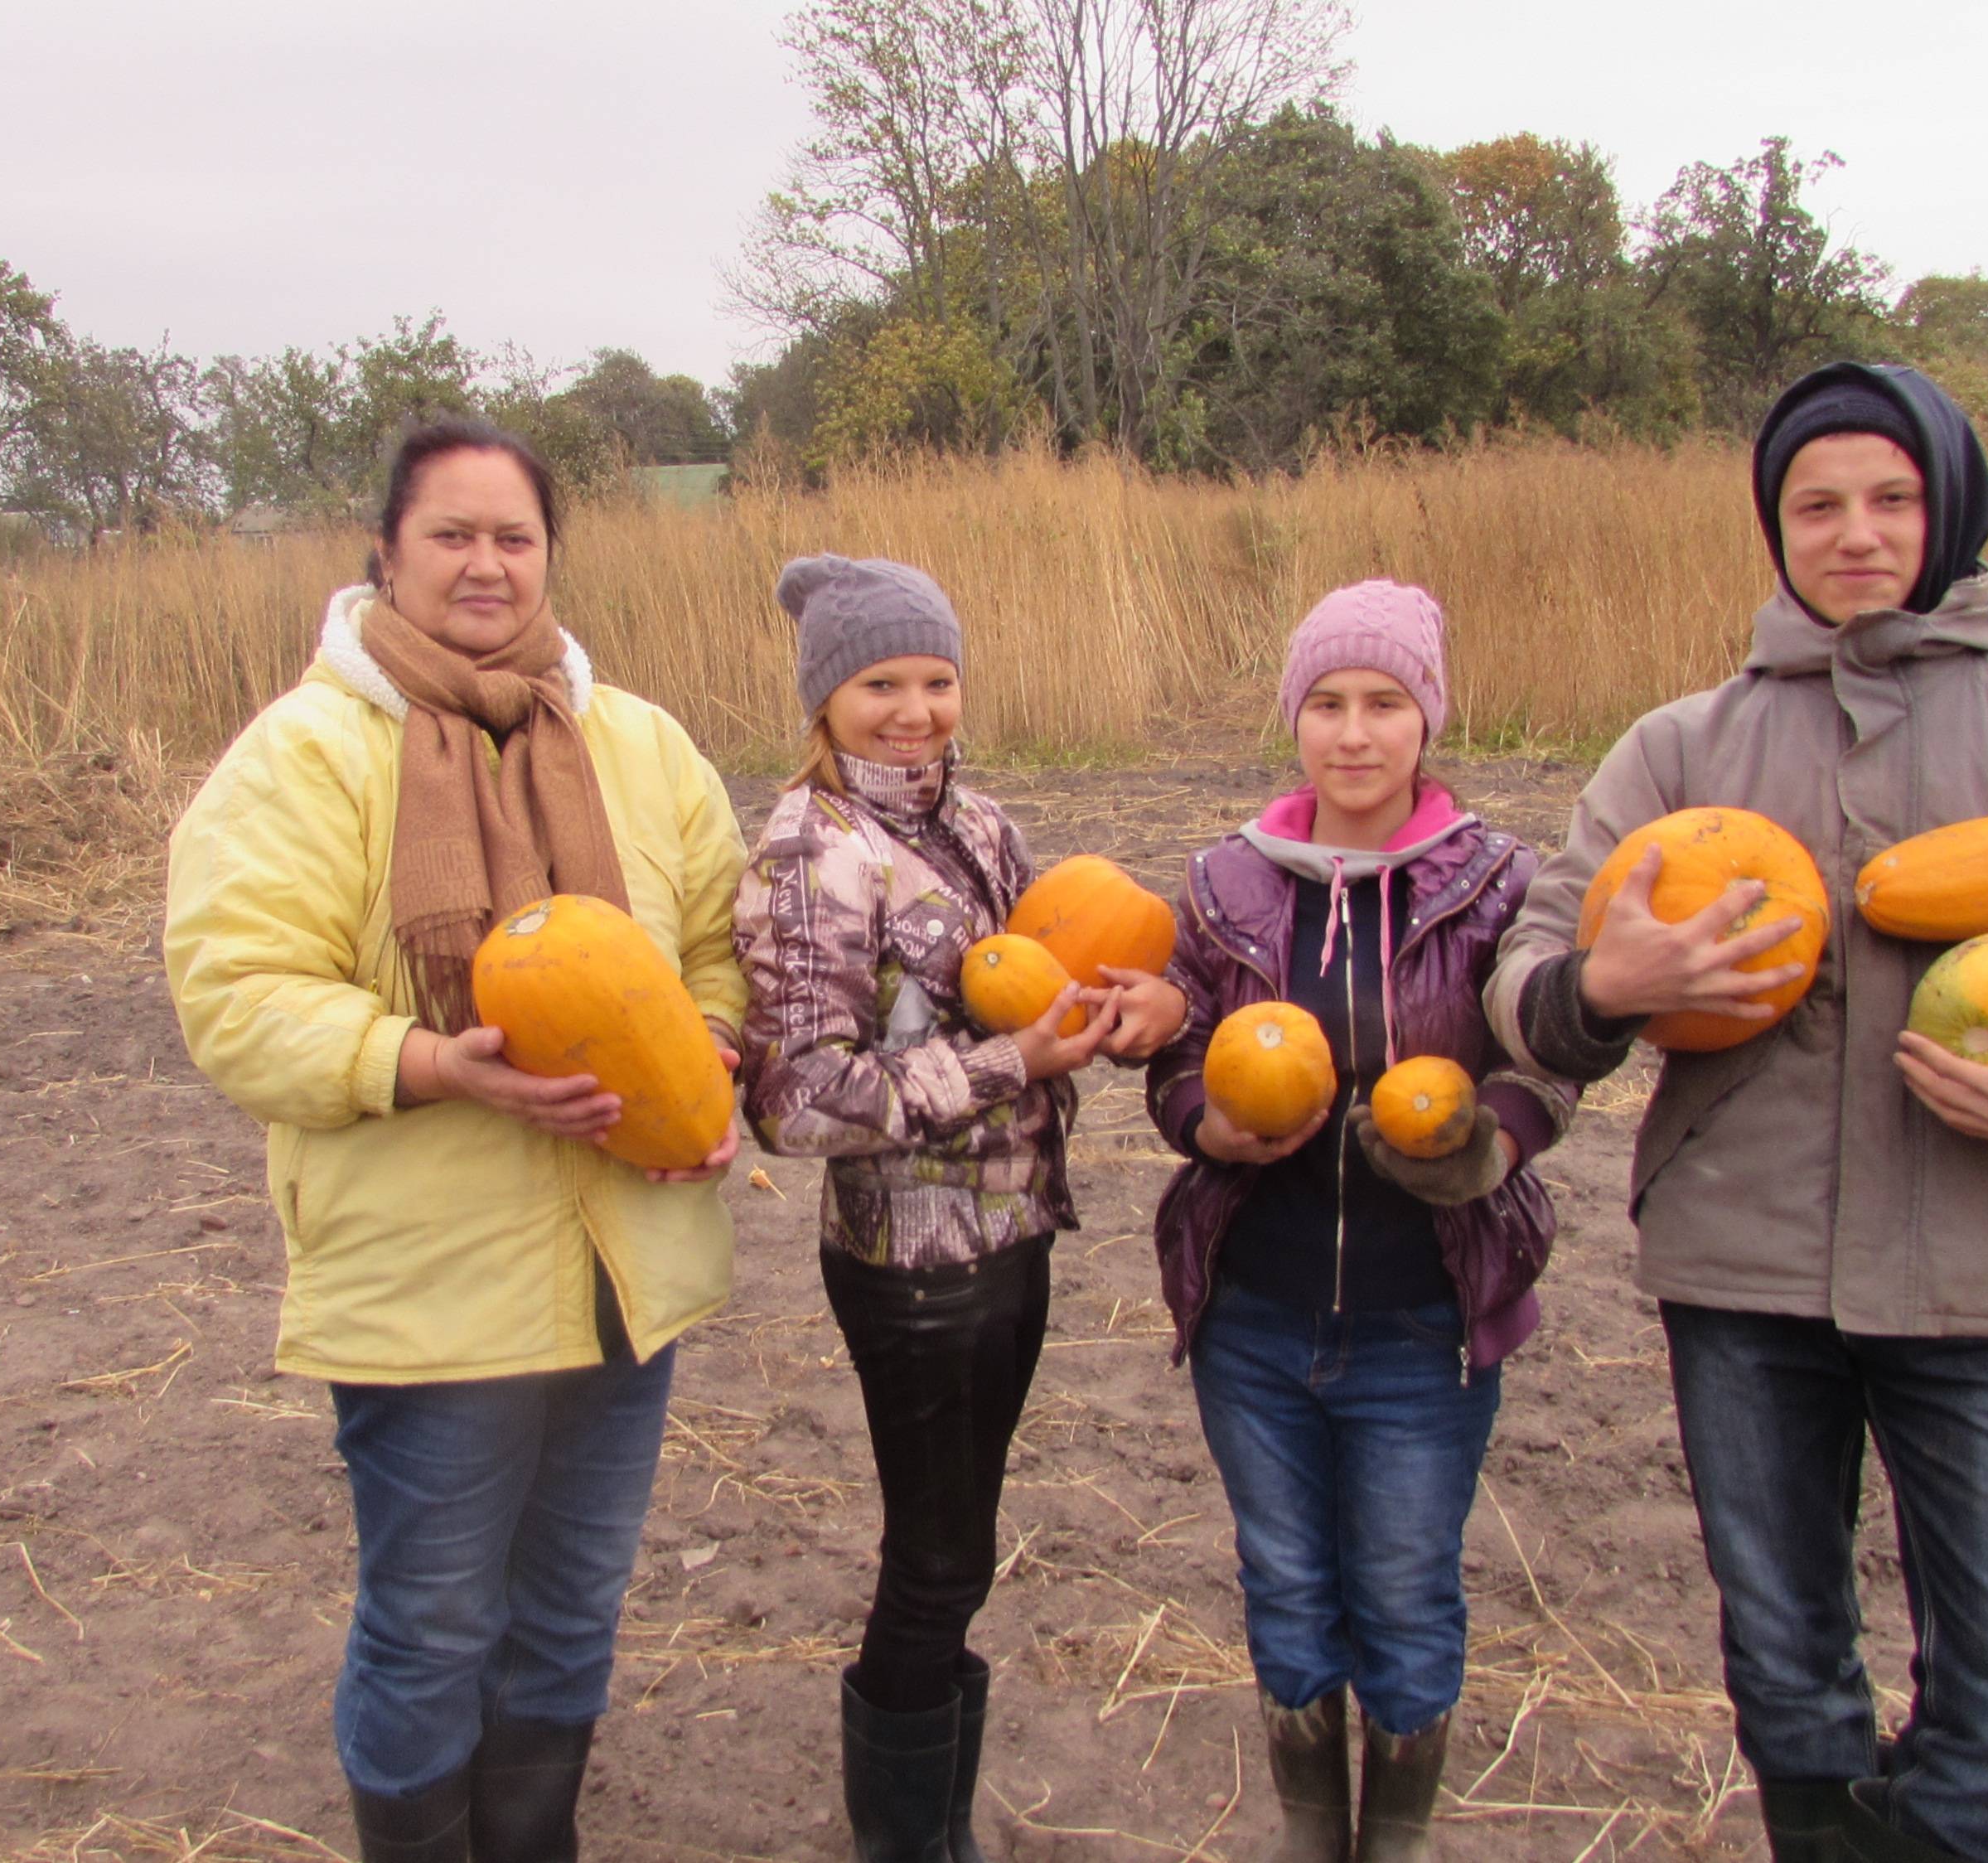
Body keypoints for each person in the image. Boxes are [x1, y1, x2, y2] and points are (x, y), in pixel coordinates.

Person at [1486, 364, 1988, 1863]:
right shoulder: (1682, 749)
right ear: (1775, 529)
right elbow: (1527, 974)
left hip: (1976, 1265)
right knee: (1788, 1678)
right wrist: (1605, 981)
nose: (1856, 532)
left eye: (1893, 498)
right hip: (1742, 1264)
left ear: (1952, 507)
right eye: (1818, 505)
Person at [162, 418, 747, 1863]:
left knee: (567, 1619)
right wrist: (424, 1062)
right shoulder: (303, 755)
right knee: (430, 1629)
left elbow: (724, 948)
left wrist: (711, 1059)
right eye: (452, 535)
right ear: (385, 554)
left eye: (515, 538)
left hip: (630, 1267)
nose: (487, 565)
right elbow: (236, 997)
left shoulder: (639, 744)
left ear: (549, 556)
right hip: (431, 1290)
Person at [733, 554, 1186, 1862]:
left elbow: (1053, 982)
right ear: (825, 699)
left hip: (1016, 1235)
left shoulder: (981, 827)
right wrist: (1011, 1064)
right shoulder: (811, 852)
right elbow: (798, 1102)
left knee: (965, 1552)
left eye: (936, 679)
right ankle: (906, 1843)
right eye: (881, 683)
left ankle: (936, 1826)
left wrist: (1118, 1017)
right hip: (911, 1264)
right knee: (934, 1563)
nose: (915, 709)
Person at [1143, 583, 1574, 1863]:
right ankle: (1307, 1840)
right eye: (1326, 703)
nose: (1354, 732)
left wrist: (1490, 1140)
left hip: (1419, 1322)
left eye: (1384, 703)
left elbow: (1547, 1057)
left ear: (1427, 719)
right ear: (1295, 719)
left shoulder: (1500, 883)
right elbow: (1170, 1053)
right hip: (1255, 1320)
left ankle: (1393, 1846)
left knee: (1402, 1596)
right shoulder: (1226, 884)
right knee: (1284, 1589)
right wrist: (1202, 1127)